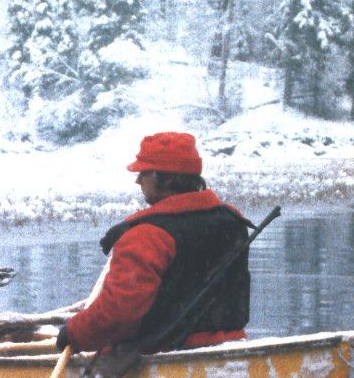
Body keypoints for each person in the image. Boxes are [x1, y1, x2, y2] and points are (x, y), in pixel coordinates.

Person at [56, 132, 253, 354]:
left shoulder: (147, 236)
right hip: (232, 345)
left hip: (162, 355)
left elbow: (117, 315)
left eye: (144, 172)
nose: (138, 180)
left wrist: (72, 333)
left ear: (167, 178)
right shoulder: (233, 221)